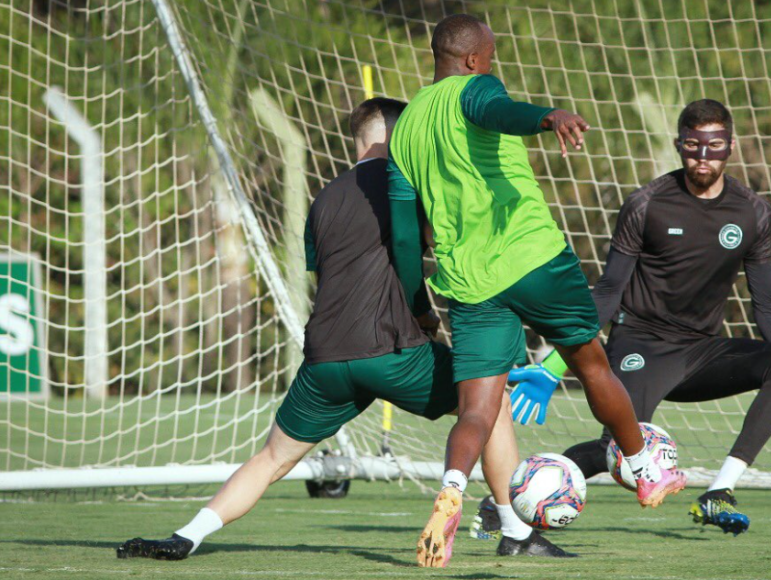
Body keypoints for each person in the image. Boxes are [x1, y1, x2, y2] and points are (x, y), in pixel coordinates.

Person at [115, 97, 570, 561]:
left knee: (272, 458)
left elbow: (331, 279)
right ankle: (516, 532)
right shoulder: (407, 183)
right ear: (400, 135)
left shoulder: (325, 197)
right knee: (488, 399)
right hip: (392, 351)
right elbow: (435, 246)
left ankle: (186, 535)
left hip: (325, 358)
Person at [387, 13, 686, 568]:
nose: (493, 64)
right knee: (591, 362)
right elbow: (493, 110)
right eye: (492, 55)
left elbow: (405, 231)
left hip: (467, 284)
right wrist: (545, 117)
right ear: (474, 59)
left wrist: (414, 303)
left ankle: (453, 487)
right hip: (532, 258)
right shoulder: (477, 87)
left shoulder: (404, 128)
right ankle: (646, 470)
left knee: (476, 409)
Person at [506, 99, 771, 537]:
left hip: (700, 353)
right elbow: (608, 291)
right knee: (615, 451)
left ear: (730, 146)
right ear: (679, 145)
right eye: (693, 146)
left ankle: (719, 493)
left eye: (714, 146)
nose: (703, 157)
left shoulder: (753, 212)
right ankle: (506, 506)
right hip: (638, 345)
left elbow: (767, 304)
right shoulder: (646, 203)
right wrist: (553, 366)